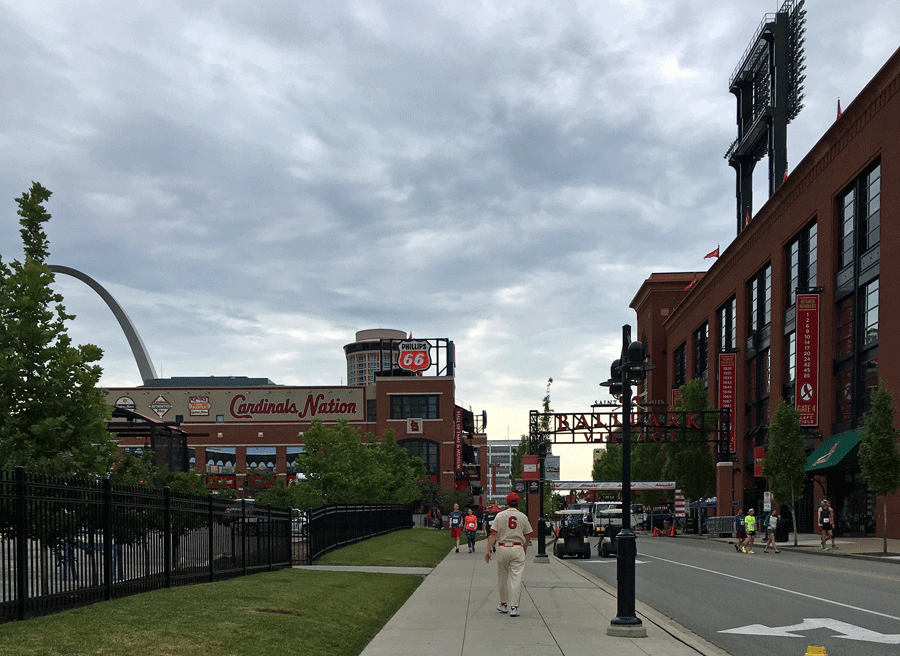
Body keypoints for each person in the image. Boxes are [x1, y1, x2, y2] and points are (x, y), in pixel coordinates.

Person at [485, 492, 534, 618]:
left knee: (502, 577)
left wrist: (488, 550)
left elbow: (493, 534)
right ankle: (514, 607)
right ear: (517, 503)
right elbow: (527, 536)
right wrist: (524, 549)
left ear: (507, 502)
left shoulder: (500, 516)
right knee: (516, 578)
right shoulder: (523, 517)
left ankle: (503, 604)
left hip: (502, 547)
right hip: (517, 547)